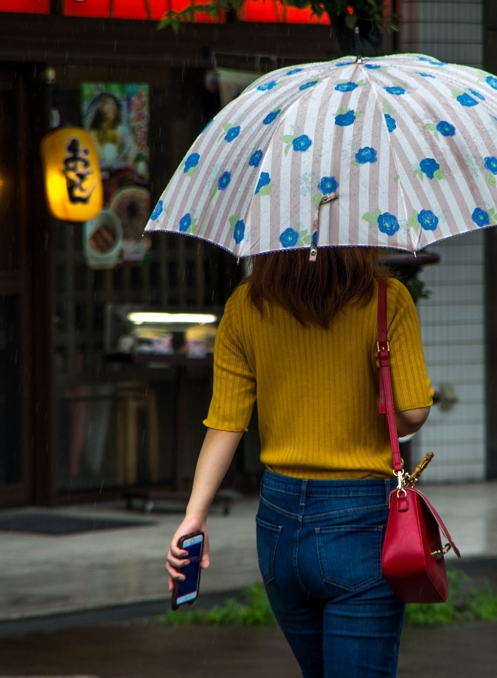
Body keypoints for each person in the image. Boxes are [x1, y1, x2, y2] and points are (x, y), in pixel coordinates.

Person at [165, 247, 433, 678]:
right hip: (360, 523)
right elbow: (413, 413)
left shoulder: (246, 304)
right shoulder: (387, 298)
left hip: (278, 528)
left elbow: (225, 426)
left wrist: (194, 517)